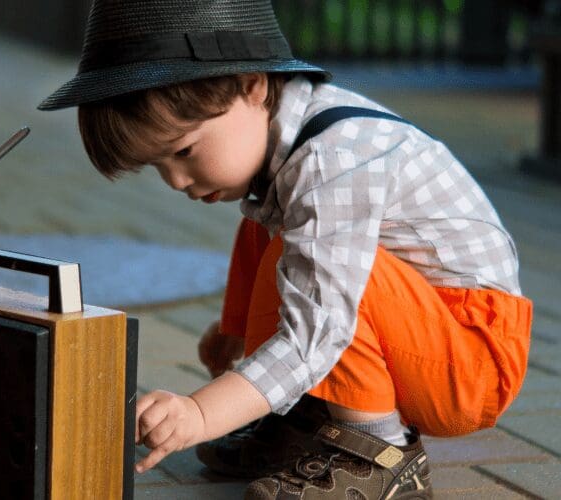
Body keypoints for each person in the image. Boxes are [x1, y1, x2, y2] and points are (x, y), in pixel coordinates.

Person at [39, 1, 533, 498]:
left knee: (324, 267)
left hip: (470, 362)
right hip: (425, 331)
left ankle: (378, 452)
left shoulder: (332, 162)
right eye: (156, 165)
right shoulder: (292, 143)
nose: (176, 181)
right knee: (273, 232)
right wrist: (235, 330)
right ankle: (306, 425)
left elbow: (317, 330)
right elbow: (272, 246)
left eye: (184, 150)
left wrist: (202, 412)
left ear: (251, 84)